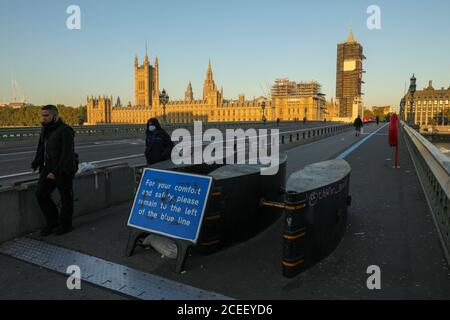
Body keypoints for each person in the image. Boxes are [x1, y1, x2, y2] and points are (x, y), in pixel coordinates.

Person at [32, 105, 77, 236]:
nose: (43, 118)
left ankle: (66, 225)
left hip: (64, 169)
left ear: (55, 116)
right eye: (42, 115)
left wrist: (56, 172)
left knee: (66, 197)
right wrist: (39, 163)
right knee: (40, 194)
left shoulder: (65, 130)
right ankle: (52, 222)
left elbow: (67, 154)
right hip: (48, 167)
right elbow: (42, 148)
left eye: (46, 115)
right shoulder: (45, 130)